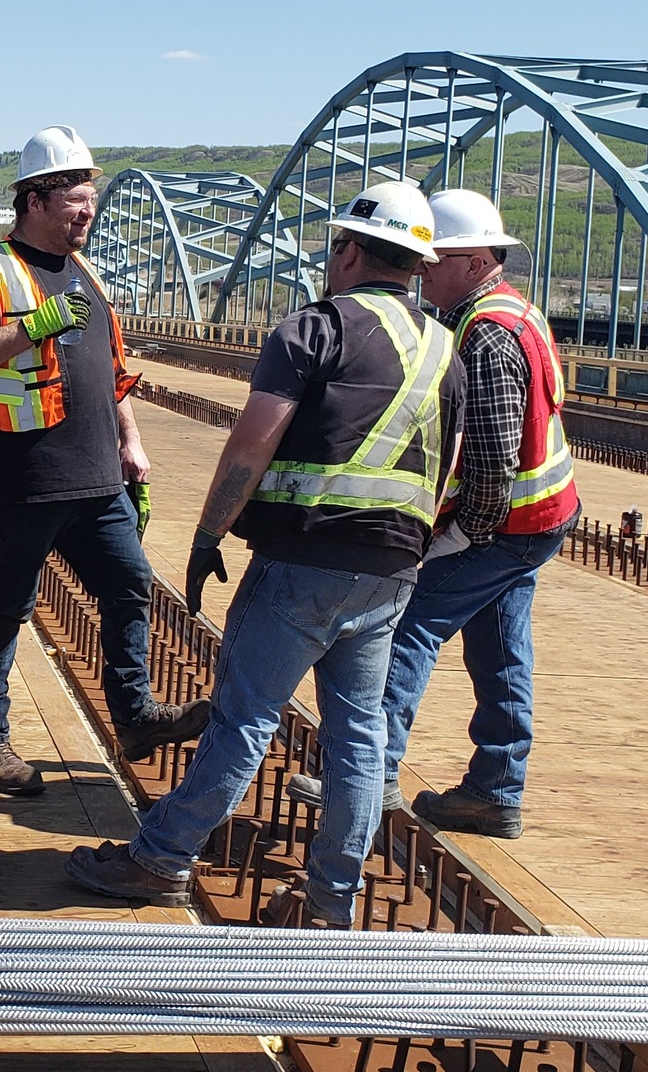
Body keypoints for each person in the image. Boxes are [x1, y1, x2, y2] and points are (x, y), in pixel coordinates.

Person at [67, 179, 464, 916]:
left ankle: (161, 858)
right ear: (416, 262)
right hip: (391, 571)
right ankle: (328, 900)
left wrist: (209, 531)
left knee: (245, 716)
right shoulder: (447, 349)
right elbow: (450, 465)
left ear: (347, 249)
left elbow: (252, 444)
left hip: (301, 563)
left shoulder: (314, 329)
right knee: (357, 737)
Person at [286, 191, 579, 838]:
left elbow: (494, 463)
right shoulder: (514, 311)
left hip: (506, 524)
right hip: (541, 519)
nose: (420, 270)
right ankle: (495, 789)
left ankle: (370, 776)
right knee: (502, 648)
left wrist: (455, 538)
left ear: (475, 261)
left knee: (407, 626)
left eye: (433, 259)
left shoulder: (487, 335)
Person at [0, 125, 210, 796]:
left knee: (129, 586)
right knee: (8, 607)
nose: (87, 213)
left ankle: (136, 716)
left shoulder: (84, 272)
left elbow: (111, 373)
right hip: (25, 480)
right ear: (34, 199)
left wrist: (132, 443)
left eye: (91, 201)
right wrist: (33, 326)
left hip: (99, 480)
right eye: (75, 202)